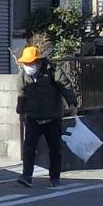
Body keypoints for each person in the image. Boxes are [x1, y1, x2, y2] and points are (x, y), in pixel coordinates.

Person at [16, 44, 73, 187]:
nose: (28, 66)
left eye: (31, 63)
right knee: (29, 147)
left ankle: (54, 177)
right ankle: (26, 176)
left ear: (38, 62)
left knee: (55, 148)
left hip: (52, 116)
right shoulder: (23, 74)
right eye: (26, 63)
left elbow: (65, 86)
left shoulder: (52, 71)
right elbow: (21, 94)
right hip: (33, 117)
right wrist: (21, 111)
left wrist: (72, 103)